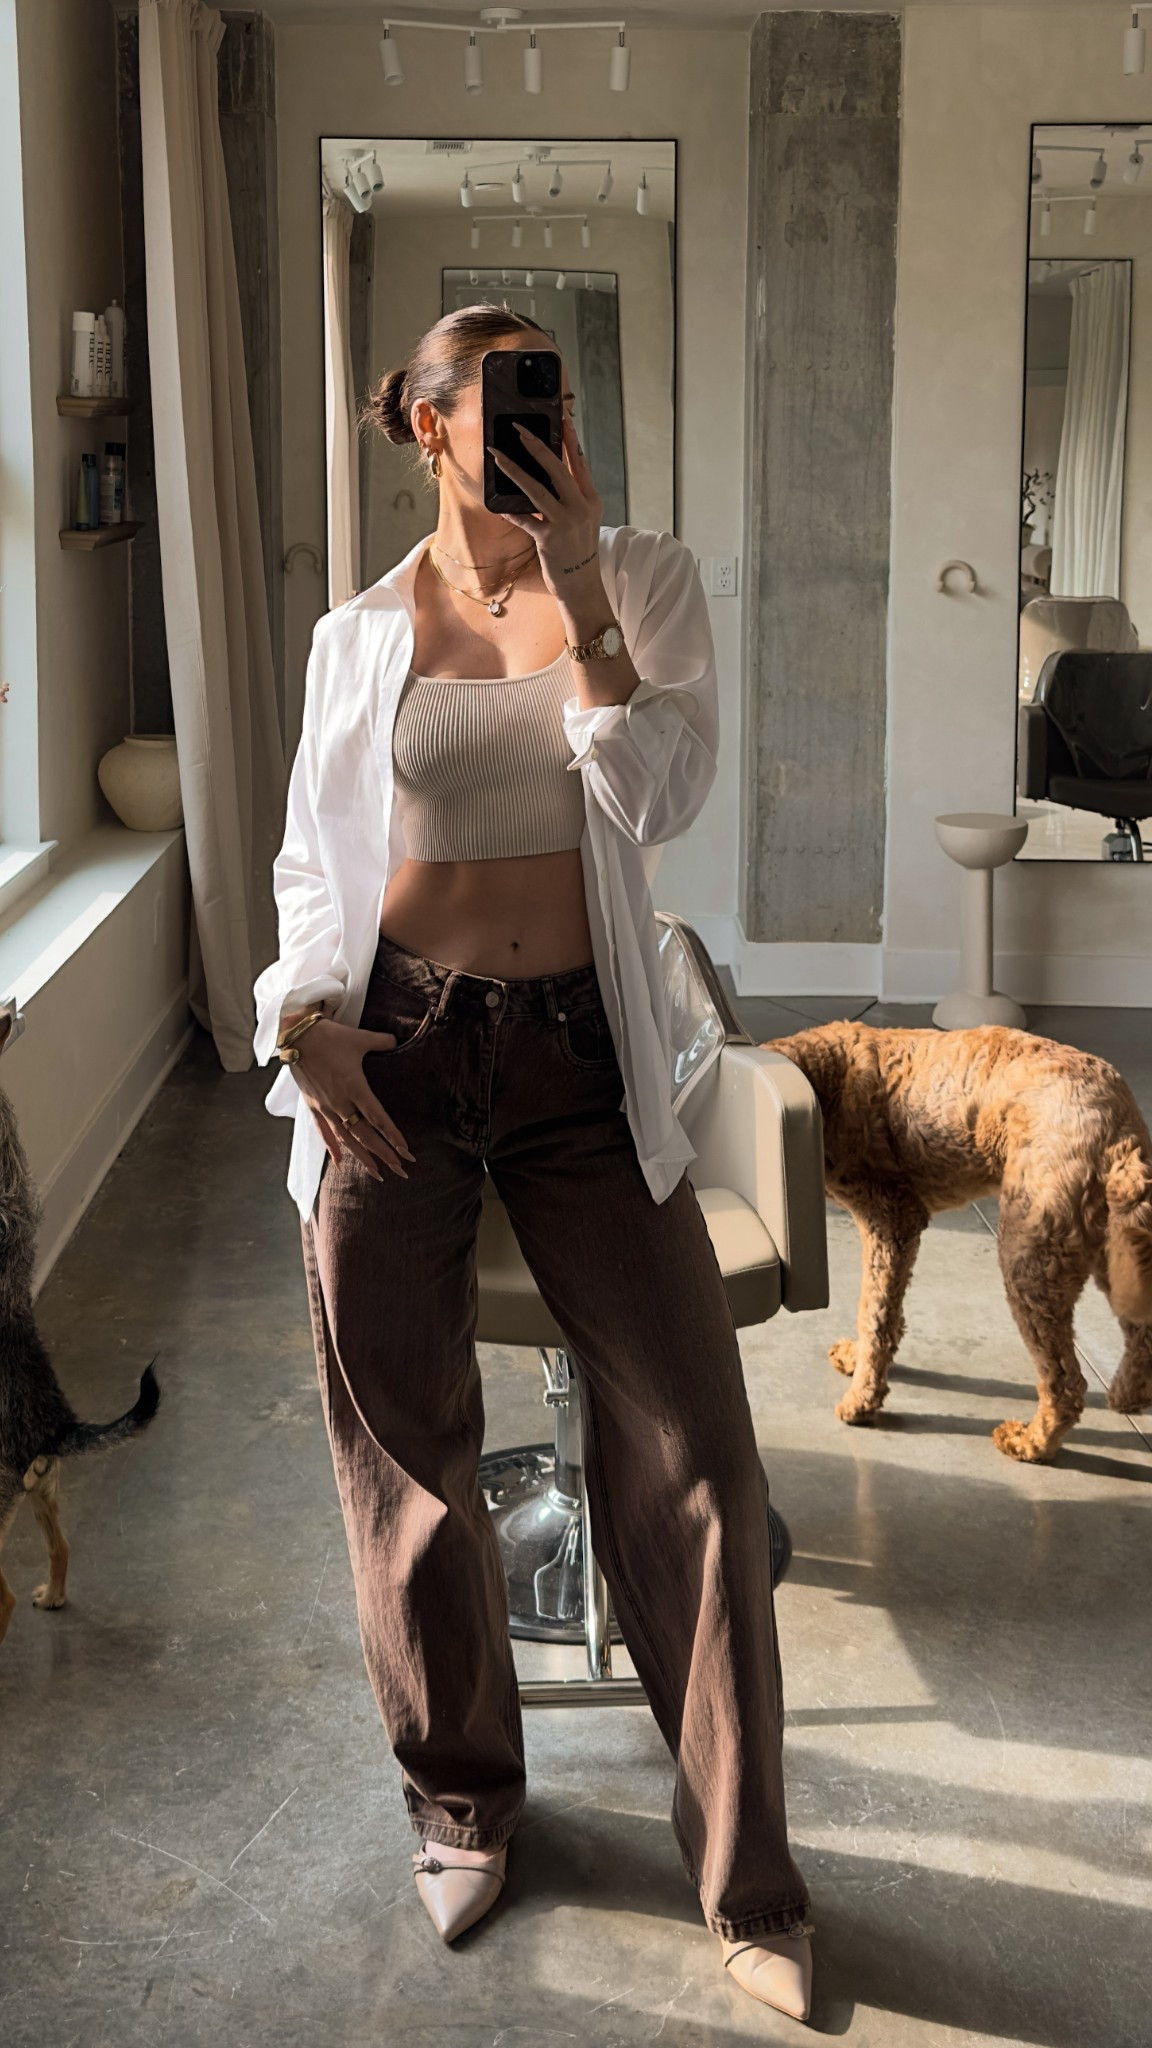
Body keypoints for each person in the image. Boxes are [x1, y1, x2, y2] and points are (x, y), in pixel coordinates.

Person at [251, 305, 814, 2022]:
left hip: (580, 1061)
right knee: (404, 1454)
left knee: (700, 1457)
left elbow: (657, 799)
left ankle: (751, 1881)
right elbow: (313, 867)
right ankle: (465, 1803)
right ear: (429, 426)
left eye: (548, 393)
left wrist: (579, 592)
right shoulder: (361, 634)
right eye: (496, 400)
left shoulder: (641, 578)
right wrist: (298, 1023)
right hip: (397, 1051)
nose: (531, 425)